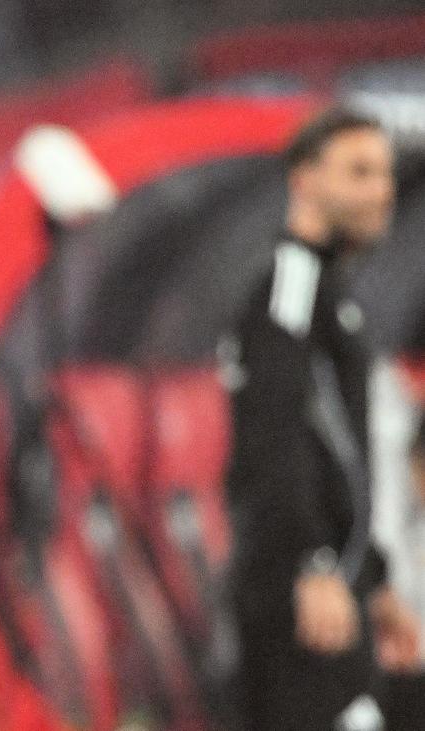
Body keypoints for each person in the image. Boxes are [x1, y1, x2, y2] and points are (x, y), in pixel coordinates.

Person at [222, 106, 420, 730]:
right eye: (358, 172)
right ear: (304, 180)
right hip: (302, 603)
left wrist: (373, 579)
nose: (381, 191)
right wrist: (309, 563)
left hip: (338, 589)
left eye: (384, 174)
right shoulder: (291, 286)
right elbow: (271, 434)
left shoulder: (328, 291)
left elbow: (337, 454)